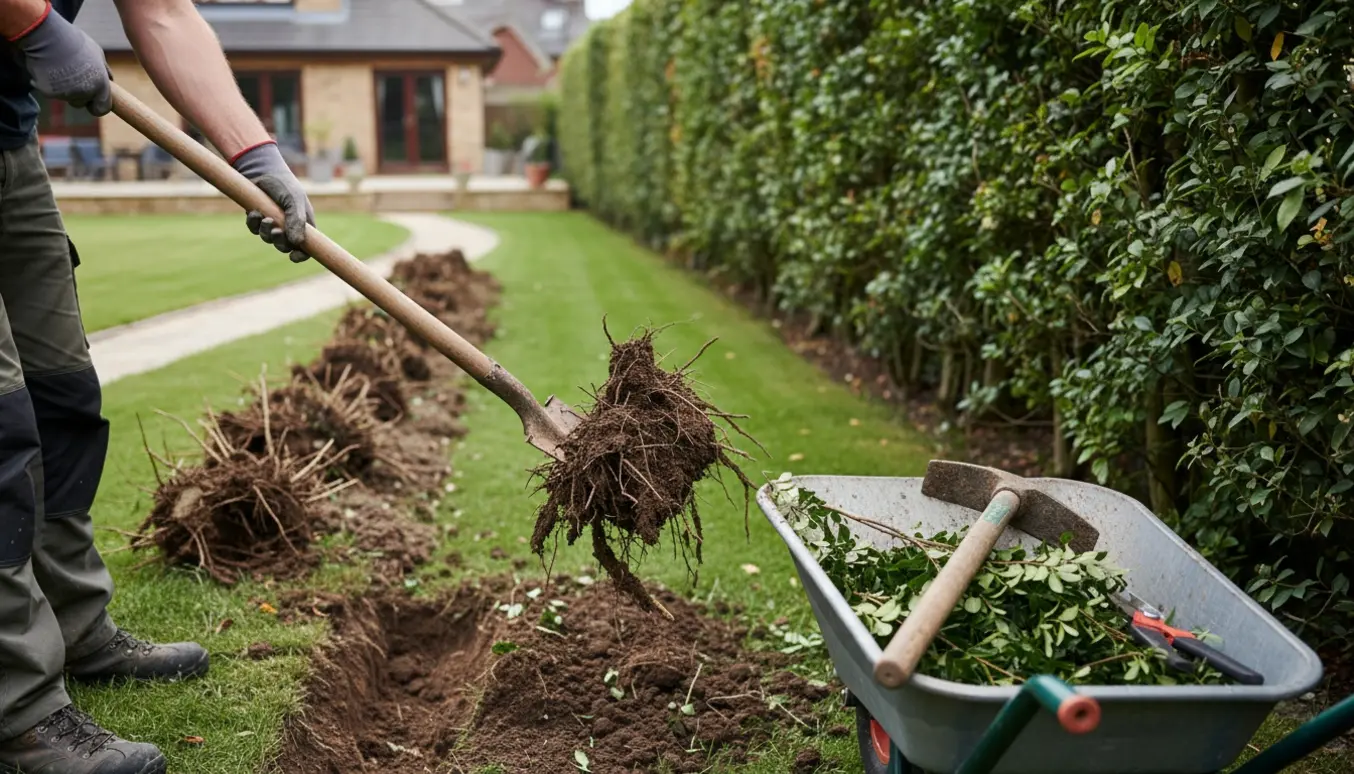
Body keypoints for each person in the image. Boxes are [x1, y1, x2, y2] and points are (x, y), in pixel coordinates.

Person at [0, 1, 316, 771]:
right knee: (1, 430)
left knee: (61, 393)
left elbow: (164, 10)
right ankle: (22, 710)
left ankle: (77, 625)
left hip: (8, 139)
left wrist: (254, 153)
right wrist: (30, 19)